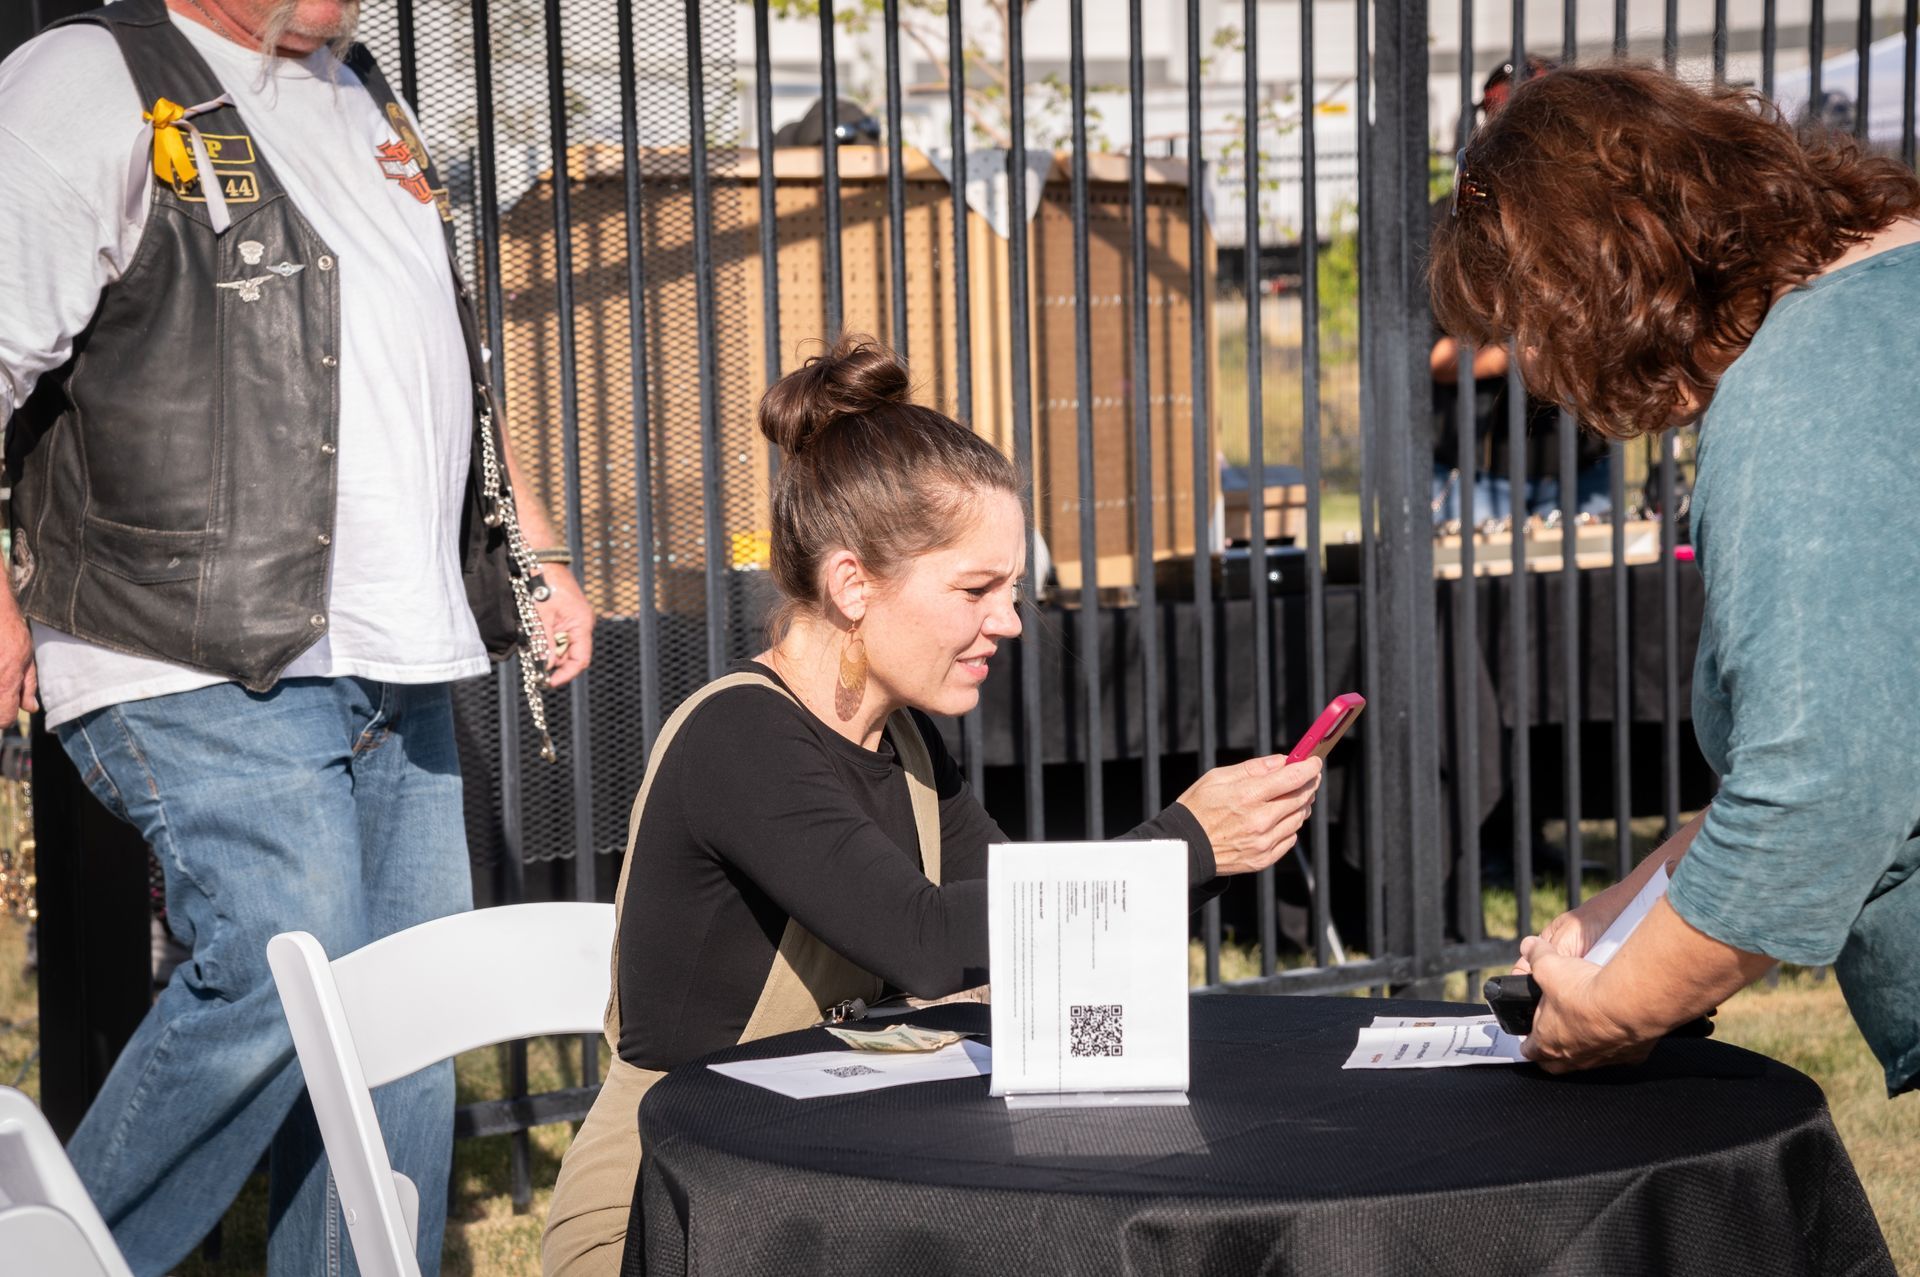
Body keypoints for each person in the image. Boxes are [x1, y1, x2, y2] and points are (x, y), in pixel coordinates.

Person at [0, 0, 595, 1272]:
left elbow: (438, 359)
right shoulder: (93, 79)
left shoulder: (366, 92)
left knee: (400, 1039)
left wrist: (532, 545)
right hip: (188, 650)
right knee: (287, 962)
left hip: (400, 656)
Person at [542, 337, 1325, 1275]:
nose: (1010, 621)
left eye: (1012, 588)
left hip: (820, 1186)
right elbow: (923, 935)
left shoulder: (906, 740)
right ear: (852, 584)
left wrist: (1208, 853)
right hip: (673, 1211)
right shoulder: (739, 737)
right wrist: (1186, 845)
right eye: (976, 589)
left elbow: (1014, 919)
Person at [1430, 64, 1920, 1091]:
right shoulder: (1883, 306)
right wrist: (1624, 915)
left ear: (1596, 276)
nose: (1535, 368)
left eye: (1530, 323)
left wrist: (1612, 1007)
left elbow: (1819, 789)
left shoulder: (1804, 380)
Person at [1428, 54, 1612, 527]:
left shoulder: (1593, 217)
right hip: (1482, 474)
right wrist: (1521, 350)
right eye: (1503, 114)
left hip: (1582, 463)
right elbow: (1434, 359)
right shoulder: (1450, 222)